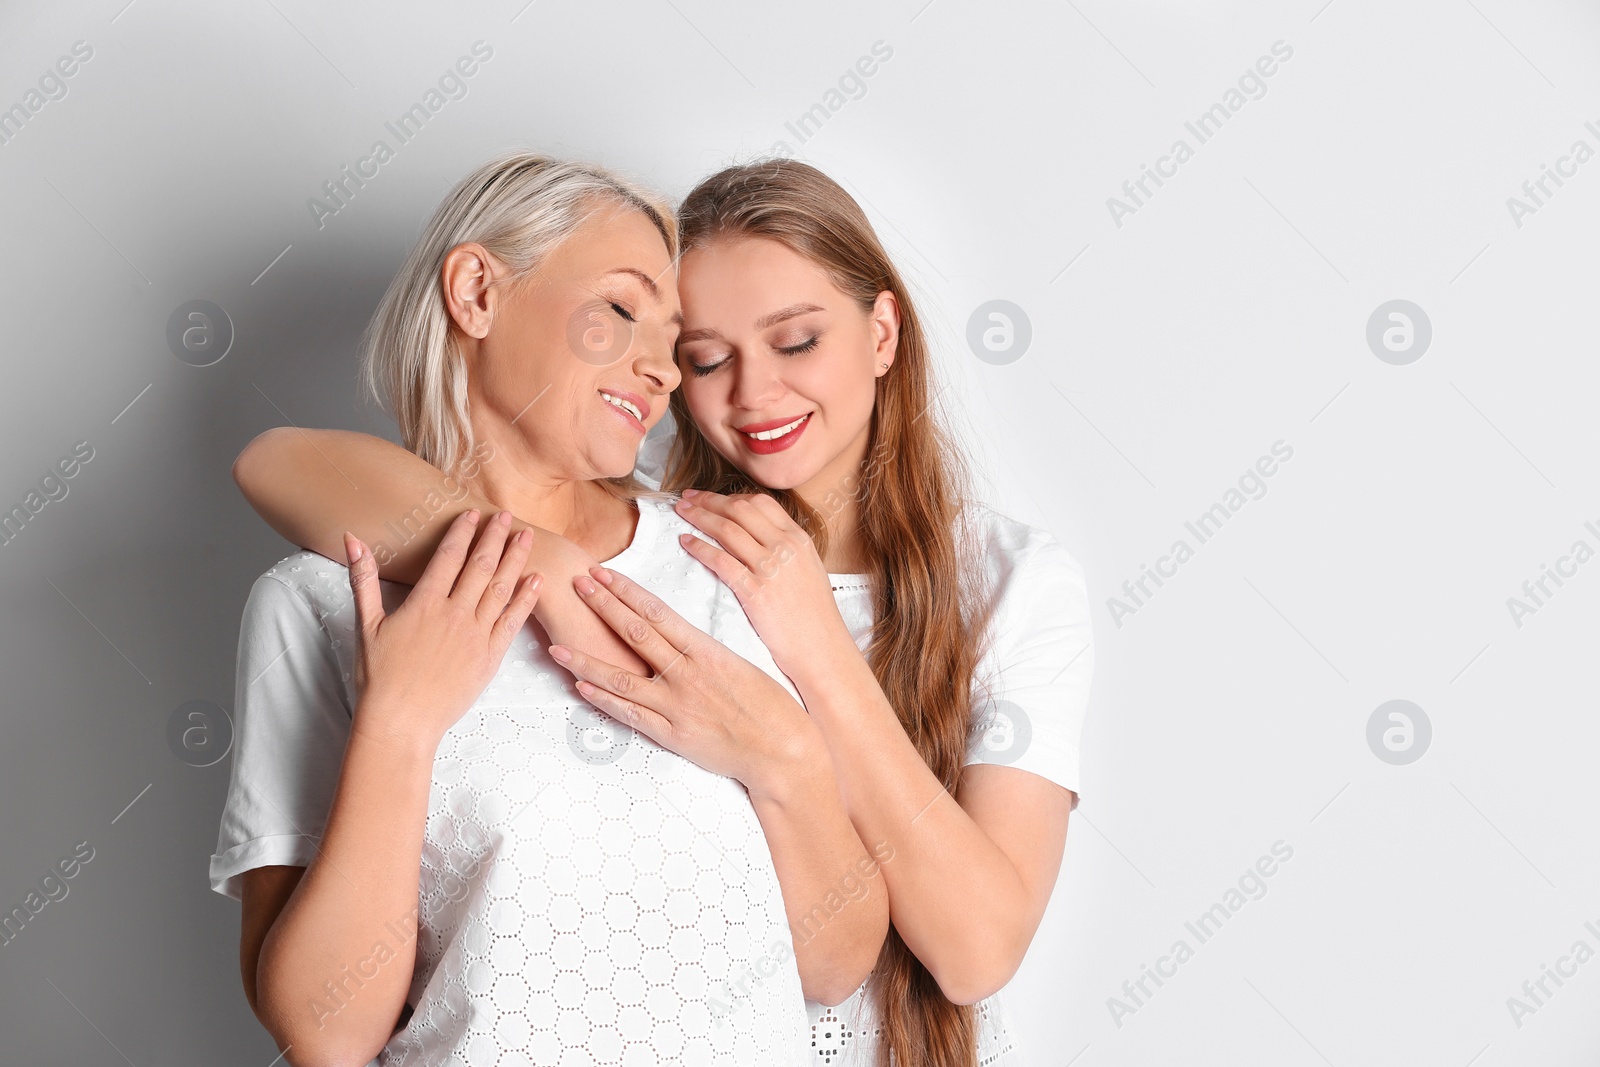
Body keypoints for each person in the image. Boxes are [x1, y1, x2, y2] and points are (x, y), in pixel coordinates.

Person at [234, 158, 1094, 1067]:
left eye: (796, 340)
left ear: (884, 331)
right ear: (476, 292)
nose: (746, 392)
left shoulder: (778, 580)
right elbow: (275, 459)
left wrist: (801, 700)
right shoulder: (699, 550)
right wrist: (537, 580)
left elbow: (937, 950)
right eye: (705, 358)